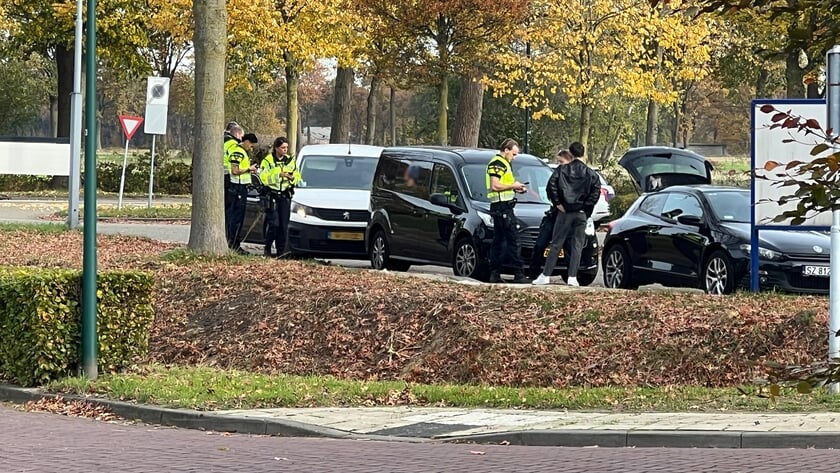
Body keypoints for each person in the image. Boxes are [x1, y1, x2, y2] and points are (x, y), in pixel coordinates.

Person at [532, 142, 600, 287]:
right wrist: (586, 209)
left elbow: (552, 186)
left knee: (556, 243)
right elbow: (596, 192)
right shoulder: (590, 173)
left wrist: (558, 204)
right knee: (577, 245)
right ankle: (572, 277)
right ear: (584, 154)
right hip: (581, 213)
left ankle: (545, 275)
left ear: (570, 152)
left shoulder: (562, 170)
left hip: (565, 212)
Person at [485, 138, 530, 284]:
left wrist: (516, 188)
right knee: (513, 239)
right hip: (502, 207)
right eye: (514, 154)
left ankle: (495, 273)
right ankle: (518, 273)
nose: (514, 157)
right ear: (506, 150)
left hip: (502, 206)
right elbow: (495, 185)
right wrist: (513, 185)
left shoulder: (503, 163)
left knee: (500, 240)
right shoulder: (498, 163)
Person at [528, 150, 573, 279]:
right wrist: (557, 204)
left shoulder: (575, 175)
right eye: (558, 162)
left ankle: (571, 275)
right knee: (540, 243)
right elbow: (550, 189)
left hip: (567, 216)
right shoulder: (558, 173)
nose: (559, 165)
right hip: (554, 214)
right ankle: (534, 273)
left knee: (568, 246)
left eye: (561, 162)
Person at [259, 137, 301, 257]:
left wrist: (292, 178)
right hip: (272, 195)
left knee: (283, 225)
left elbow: (298, 176)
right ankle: (267, 247)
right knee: (274, 224)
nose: (285, 150)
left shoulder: (290, 161)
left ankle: (281, 251)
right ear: (276, 148)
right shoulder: (268, 161)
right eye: (283, 148)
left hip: (285, 196)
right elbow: (264, 178)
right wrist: (280, 175)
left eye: (287, 148)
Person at [227, 132, 259, 253]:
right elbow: (234, 171)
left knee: (238, 217)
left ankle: (235, 243)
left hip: (241, 187)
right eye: (251, 145)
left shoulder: (242, 152)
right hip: (237, 188)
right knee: (236, 218)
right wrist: (249, 169)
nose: (251, 148)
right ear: (246, 142)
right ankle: (234, 245)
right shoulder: (237, 152)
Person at [223, 122, 244, 236]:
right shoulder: (233, 145)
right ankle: (230, 238)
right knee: (231, 212)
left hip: (221, 177)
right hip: (229, 179)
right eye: (241, 137)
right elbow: (235, 165)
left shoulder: (221, 141)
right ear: (237, 135)